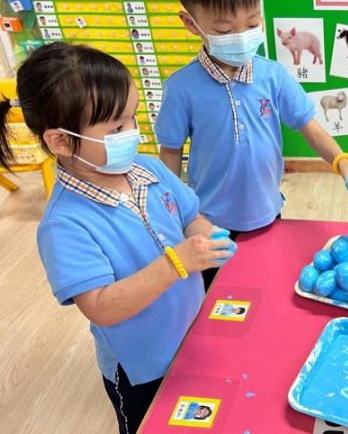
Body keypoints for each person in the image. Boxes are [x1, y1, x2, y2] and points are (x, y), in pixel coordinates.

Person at [0, 43, 237, 434]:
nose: (133, 133)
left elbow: (191, 217)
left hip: (192, 333)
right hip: (141, 368)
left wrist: (207, 239)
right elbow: (101, 307)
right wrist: (176, 262)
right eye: (116, 129)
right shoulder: (65, 225)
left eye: (133, 118)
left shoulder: (148, 169)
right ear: (61, 142)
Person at [157, 0, 348, 291]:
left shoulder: (273, 76)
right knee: (217, 298)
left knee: (265, 286)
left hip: (267, 212)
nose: (240, 36)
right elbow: (170, 153)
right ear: (191, 23)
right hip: (207, 221)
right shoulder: (181, 88)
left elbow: (310, 128)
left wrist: (344, 163)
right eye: (224, 30)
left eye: (251, 24)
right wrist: (175, 214)